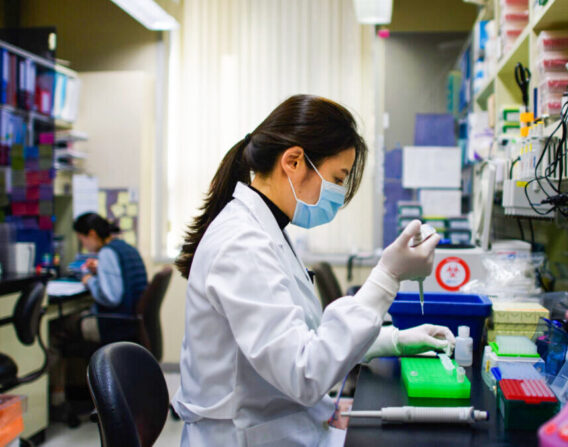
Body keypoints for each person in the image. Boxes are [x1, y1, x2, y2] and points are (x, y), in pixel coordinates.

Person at [172, 95, 452, 446]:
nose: (338, 193)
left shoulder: (268, 231)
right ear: (293, 161)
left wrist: (392, 341)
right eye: (337, 178)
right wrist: (387, 276)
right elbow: (304, 373)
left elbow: (307, 338)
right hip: (245, 436)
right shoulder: (240, 244)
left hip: (279, 426)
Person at [70, 212, 148, 344]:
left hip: (116, 325)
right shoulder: (126, 247)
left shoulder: (107, 252)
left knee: (66, 324)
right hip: (132, 321)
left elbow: (111, 298)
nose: (84, 245)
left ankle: (89, 363)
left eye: (81, 239)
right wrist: (100, 271)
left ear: (92, 234)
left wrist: (89, 280)